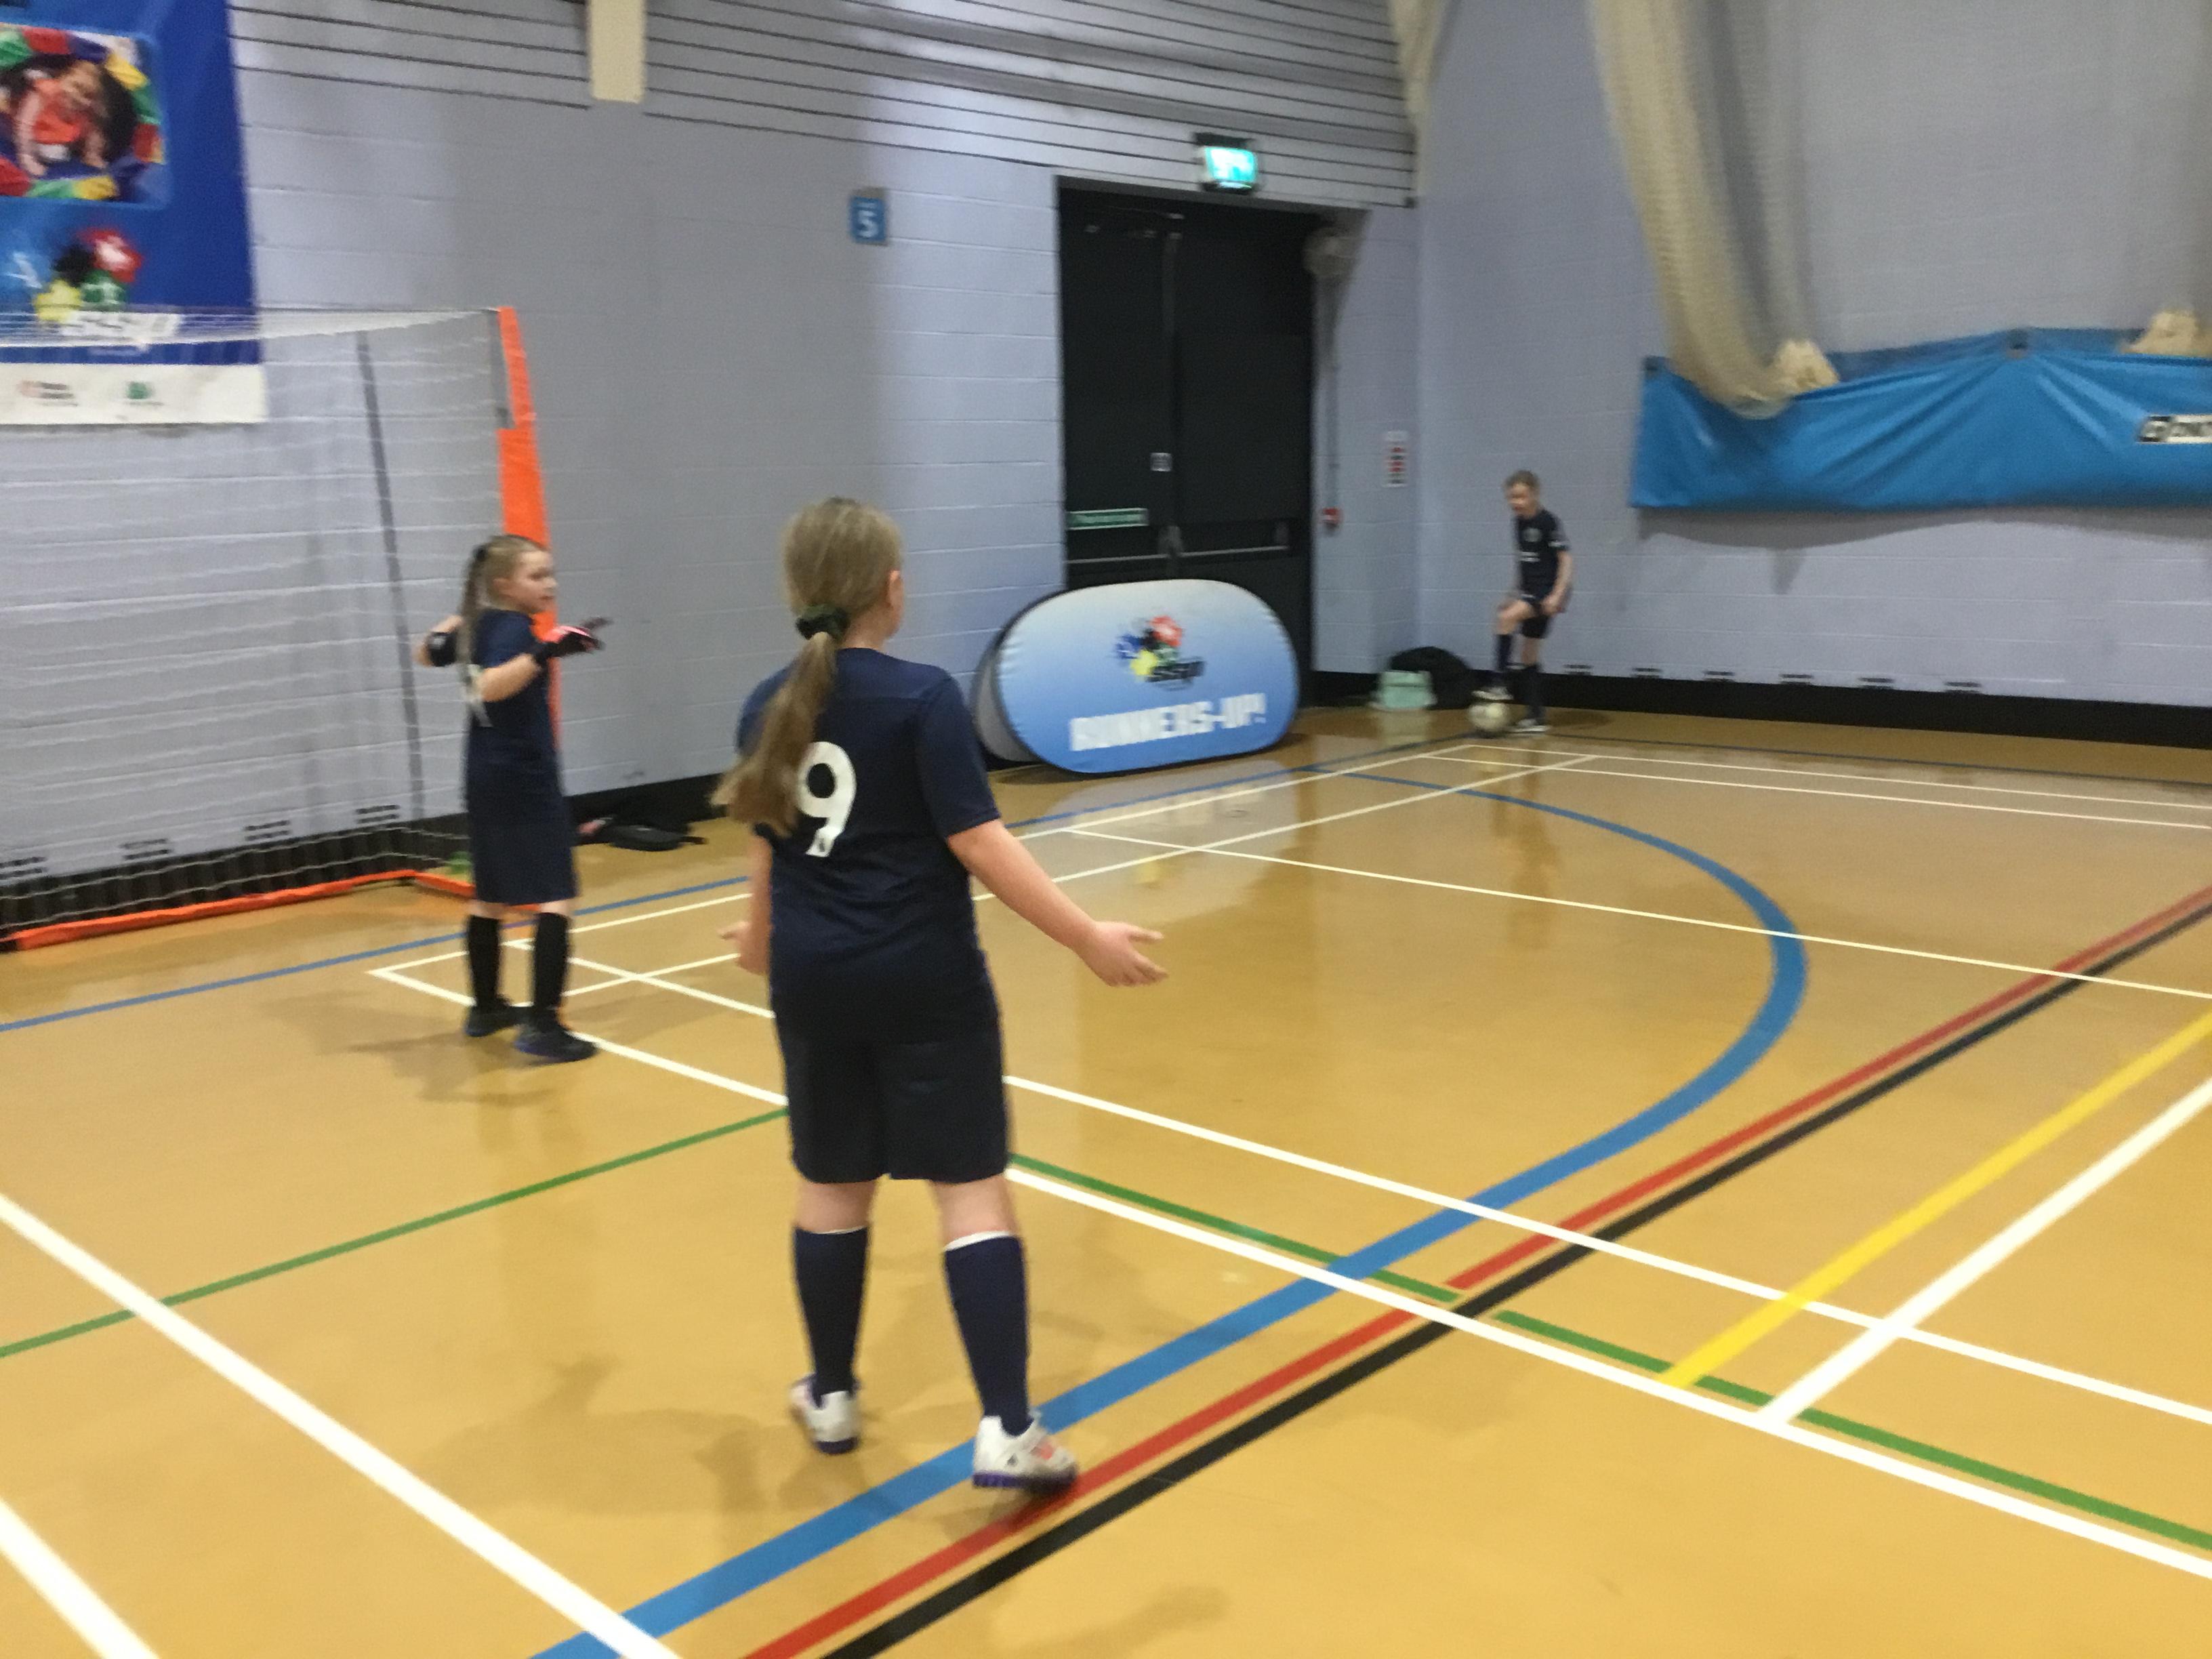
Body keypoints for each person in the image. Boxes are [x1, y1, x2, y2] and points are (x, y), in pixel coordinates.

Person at [720, 497, 1165, 1493]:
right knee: (969, 1188)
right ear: (893, 589)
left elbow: (764, 836)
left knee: (833, 1185)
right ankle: (1008, 1428)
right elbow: (980, 843)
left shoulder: (764, 703)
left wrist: (757, 937)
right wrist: (1085, 936)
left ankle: (832, 1394)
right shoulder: (921, 698)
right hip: (924, 980)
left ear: (797, 593)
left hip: (814, 982)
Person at [415, 535, 602, 1063]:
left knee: (491, 895)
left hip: (485, 775)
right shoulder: (515, 629)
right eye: (536, 576)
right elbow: (491, 686)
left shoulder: (482, 624)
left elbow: (426, 653)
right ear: (503, 584)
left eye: (550, 573)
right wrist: (546, 651)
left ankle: (486, 1007)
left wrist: (458, 621)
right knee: (556, 895)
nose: (550, 584)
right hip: (522, 780)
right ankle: (544, 1025)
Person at [1479, 470, 1573, 735]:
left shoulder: (1547, 522)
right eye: (1511, 498)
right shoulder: (1518, 523)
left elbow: (1566, 560)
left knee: (1505, 619)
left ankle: (1499, 683)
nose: (1516, 502)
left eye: (1521, 497)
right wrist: (1512, 594)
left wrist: (1557, 594)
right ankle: (1536, 717)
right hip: (1530, 590)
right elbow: (1523, 563)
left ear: (1534, 494)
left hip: (1546, 592)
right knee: (1528, 655)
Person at [13, 59, 106, 180]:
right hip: (32, 129)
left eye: (87, 95)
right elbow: (24, 124)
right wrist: (27, 156)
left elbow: (94, 132)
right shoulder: (45, 93)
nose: (76, 96)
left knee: (59, 151)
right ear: (64, 78)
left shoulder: (87, 109)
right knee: (52, 152)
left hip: (58, 136)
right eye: (76, 86)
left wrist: (92, 154)